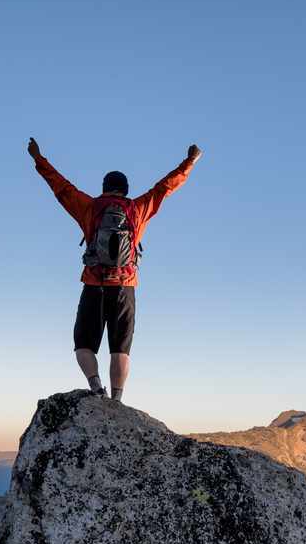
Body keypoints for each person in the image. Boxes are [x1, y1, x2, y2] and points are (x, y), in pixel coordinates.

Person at [27, 137, 201, 402]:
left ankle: (97, 389)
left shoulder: (88, 207)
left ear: (104, 188)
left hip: (94, 284)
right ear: (126, 189)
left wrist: (39, 159)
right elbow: (165, 188)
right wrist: (190, 162)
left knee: (84, 345)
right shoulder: (137, 209)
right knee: (120, 349)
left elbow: (60, 187)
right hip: (125, 286)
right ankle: (117, 400)